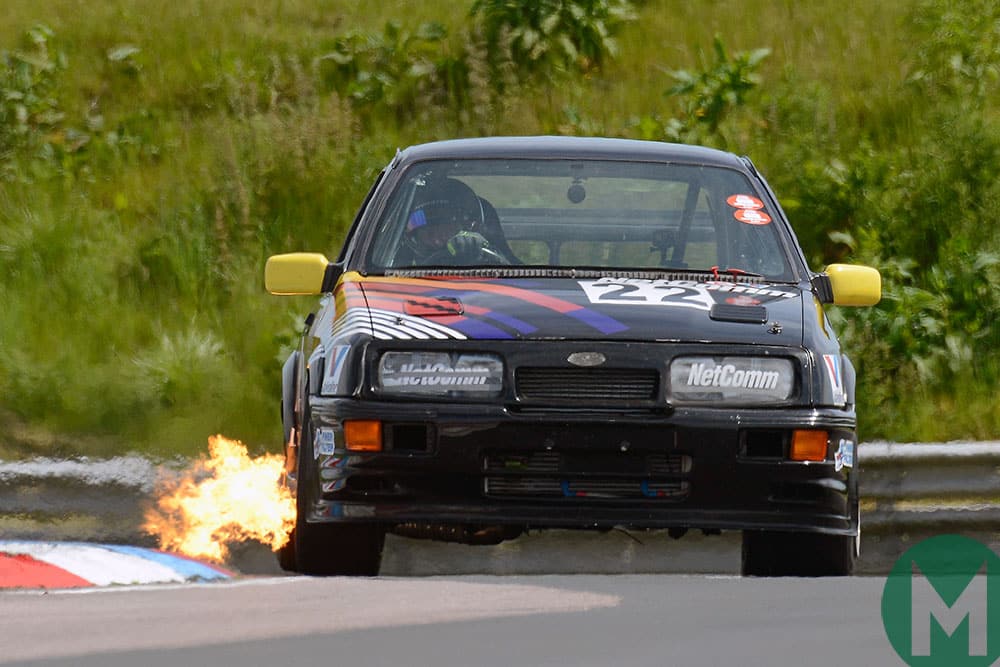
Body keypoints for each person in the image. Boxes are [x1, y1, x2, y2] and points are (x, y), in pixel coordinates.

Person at [396, 178, 508, 266]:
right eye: (429, 233)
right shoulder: (392, 273)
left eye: (444, 231)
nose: (437, 241)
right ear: (414, 237)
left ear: (469, 229)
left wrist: (490, 256)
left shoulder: (497, 264)